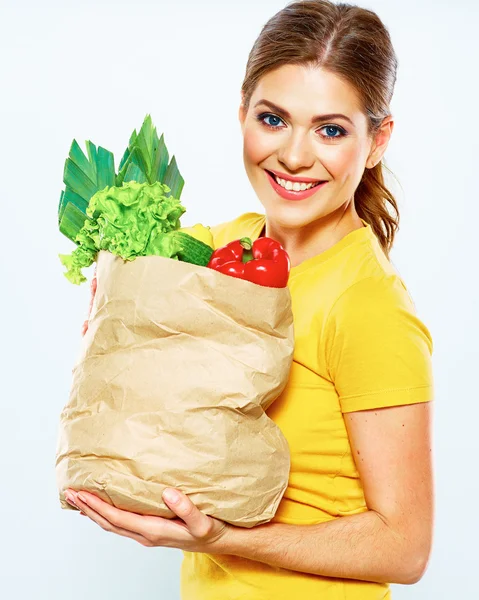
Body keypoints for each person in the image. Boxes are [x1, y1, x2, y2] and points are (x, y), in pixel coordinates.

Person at [68, 1, 435, 598]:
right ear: (242, 113)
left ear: (376, 142)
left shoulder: (369, 307)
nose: (293, 155)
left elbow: (405, 545)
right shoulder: (221, 248)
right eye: (273, 119)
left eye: (331, 129)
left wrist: (221, 538)